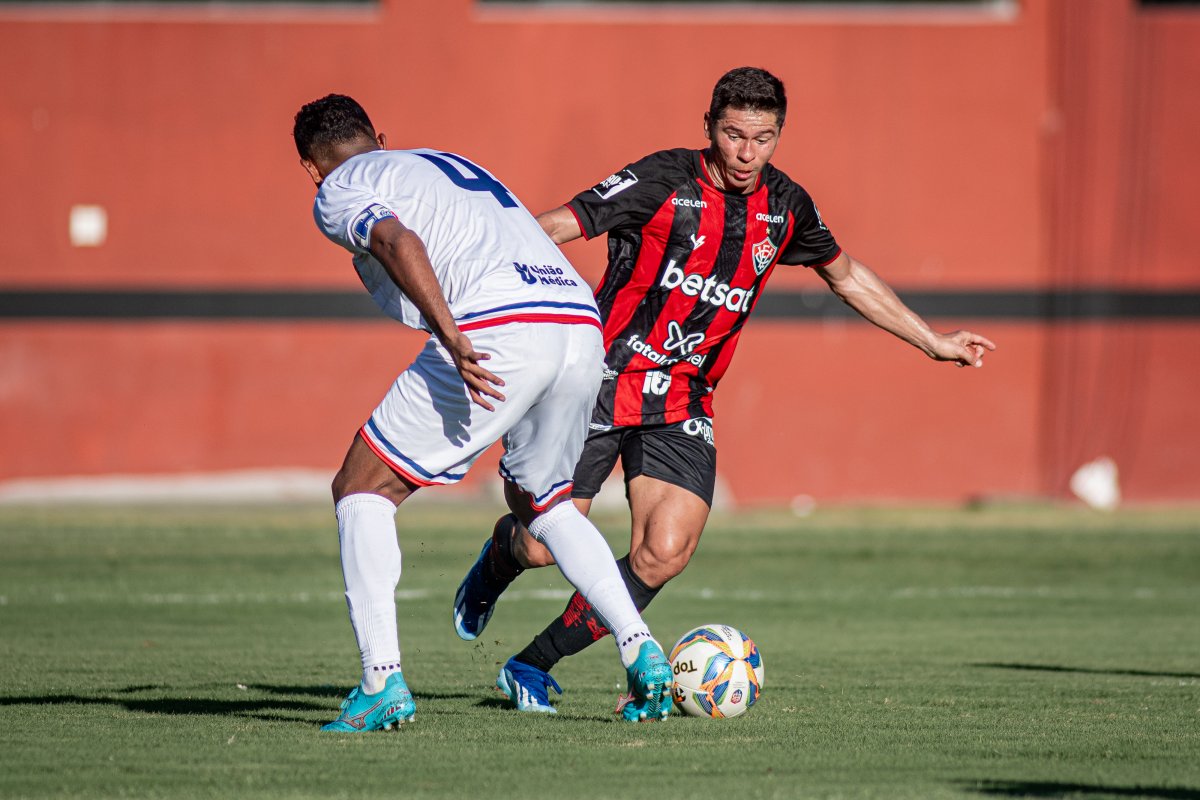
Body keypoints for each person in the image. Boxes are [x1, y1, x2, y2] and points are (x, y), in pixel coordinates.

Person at [452, 67, 997, 713]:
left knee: (663, 553)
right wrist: (472, 294)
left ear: (778, 136)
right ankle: (501, 556)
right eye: (734, 135)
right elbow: (550, 227)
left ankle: (532, 665)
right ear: (709, 126)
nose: (746, 153)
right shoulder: (660, 181)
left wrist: (931, 340)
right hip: (597, 384)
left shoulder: (786, 207)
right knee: (541, 546)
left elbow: (846, 276)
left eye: (763, 139)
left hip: (682, 399)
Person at [292, 94, 674, 730]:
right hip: (578, 325)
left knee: (363, 488)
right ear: (380, 137)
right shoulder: (440, 161)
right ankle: (642, 649)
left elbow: (392, 238)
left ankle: (381, 682)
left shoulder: (340, 186)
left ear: (310, 166)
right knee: (545, 502)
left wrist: (450, 334)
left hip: (499, 328)